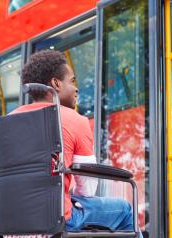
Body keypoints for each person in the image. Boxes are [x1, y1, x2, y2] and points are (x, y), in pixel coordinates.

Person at [11, 50, 142, 237]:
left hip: (9, 222)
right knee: (124, 209)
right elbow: (87, 189)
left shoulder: (7, 121)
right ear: (56, 83)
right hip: (57, 219)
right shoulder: (74, 119)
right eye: (72, 81)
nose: (76, 88)